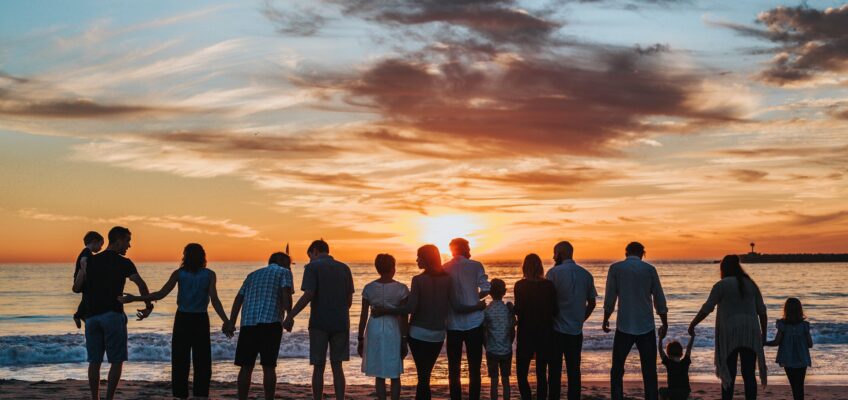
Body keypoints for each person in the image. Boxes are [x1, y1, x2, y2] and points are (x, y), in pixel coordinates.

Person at [118, 243, 230, 400]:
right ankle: (201, 394)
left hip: (183, 319)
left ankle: (180, 395)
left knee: (180, 359)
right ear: (202, 257)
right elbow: (215, 300)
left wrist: (134, 298)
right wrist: (227, 321)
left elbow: (160, 294)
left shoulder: (179, 273)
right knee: (202, 359)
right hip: (200, 319)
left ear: (185, 256)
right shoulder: (209, 274)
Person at [373, 244, 482, 400]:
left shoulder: (418, 280)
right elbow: (457, 307)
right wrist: (477, 306)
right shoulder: (447, 279)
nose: (416, 259)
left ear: (426, 259)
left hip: (417, 334)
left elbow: (409, 308)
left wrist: (385, 310)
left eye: (419, 257)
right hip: (437, 336)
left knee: (423, 378)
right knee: (425, 376)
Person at [72, 226, 154, 400]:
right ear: (118, 241)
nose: (129, 246)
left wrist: (84, 271)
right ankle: (108, 398)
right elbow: (140, 283)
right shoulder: (124, 262)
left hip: (92, 318)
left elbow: (76, 288)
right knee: (116, 361)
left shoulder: (89, 260)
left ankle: (95, 398)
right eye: (127, 241)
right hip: (112, 315)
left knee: (94, 362)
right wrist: (148, 305)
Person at [688, 254, 768, 400]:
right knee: (749, 374)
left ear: (723, 268)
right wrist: (764, 333)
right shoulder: (751, 284)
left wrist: (693, 323)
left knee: (728, 372)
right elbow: (762, 311)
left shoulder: (721, 285)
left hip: (729, 333)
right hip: (750, 332)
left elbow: (707, 308)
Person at [283, 240, 355, 400]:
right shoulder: (344, 268)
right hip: (341, 322)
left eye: (310, 256)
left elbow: (308, 295)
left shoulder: (312, 267)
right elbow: (349, 300)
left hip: (319, 323)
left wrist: (290, 315)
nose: (309, 260)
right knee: (337, 366)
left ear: (315, 251)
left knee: (318, 366)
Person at [603, 241, 668, 400]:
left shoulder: (616, 268)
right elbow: (659, 298)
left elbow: (610, 296)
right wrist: (664, 322)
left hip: (624, 325)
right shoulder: (650, 270)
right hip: (646, 326)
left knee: (617, 369)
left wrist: (606, 318)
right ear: (642, 254)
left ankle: (617, 397)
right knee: (649, 370)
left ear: (626, 253)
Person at [225, 252, 294, 400]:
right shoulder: (285, 272)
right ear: (281, 261)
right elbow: (285, 294)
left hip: (248, 324)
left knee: (245, 367)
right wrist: (289, 316)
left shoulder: (252, 275)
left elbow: (239, 299)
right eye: (288, 263)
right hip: (271, 323)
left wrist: (232, 321)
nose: (290, 266)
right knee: (269, 367)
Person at [545, 241, 596, 400]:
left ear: (561, 253)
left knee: (554, 371)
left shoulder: (553, 273)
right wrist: (581, 319)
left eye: (555, 253)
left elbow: (547, 302)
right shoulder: (586, 274)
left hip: (556, 331)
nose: (553, 257)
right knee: (574, 371)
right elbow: (592, 303)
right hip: (576, 330)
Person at [444, 238, 491, 400]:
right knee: (474, 368)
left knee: (453, 368)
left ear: (452, 250)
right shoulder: (476, 265)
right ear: (465, 248)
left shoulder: (445, 268)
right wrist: (474, 298)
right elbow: (486, 288)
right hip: (474, 323)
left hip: (453, 324)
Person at [357, 254, 409, 400]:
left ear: (377, 268)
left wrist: (360, 338)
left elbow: (363, 316)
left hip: (374, 328)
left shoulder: (369, 288)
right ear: (393, 268)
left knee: (379, 372)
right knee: (395, 372)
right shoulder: (401, 288)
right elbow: (404, 316)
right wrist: (405, 339)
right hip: (393, 328)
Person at [514, 254, 557, 400]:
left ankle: (526, 397)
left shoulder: (520, 285)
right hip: (545, 333)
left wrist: (509, 308)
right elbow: (555, 310)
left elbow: (518, 310)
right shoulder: (548, 285)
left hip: (526, 333)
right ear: (540, 267)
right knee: (541, 373)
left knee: (521, 373)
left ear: (524, 267)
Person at [765, 298, 812, 400]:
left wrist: (764, 343)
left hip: (787, 359)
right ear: (800, 310)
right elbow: (810, 344)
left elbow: (776, 342)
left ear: (786, 310)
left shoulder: (783, 325)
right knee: (799, 386)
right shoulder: (804, 325)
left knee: (794, 385)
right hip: (802, 359)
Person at [483, 278, 514, 400]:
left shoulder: (487, 310)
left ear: (490, 293)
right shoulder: (508, 310)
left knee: (494, 382)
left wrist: (487, 347)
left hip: (492, 350)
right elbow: (512, 330)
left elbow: (484, 333)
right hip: (506, 350)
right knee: (506, 381)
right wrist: (509, 343)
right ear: (504, 292)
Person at [73, 231, 104, 329]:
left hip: (84, 279)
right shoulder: (86, 251)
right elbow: (83, 261)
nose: (101, 248)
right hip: (83, 279)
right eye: (101, 244)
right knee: (87, 297)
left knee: (86, 297)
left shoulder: (87, 252)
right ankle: (79, 315)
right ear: (94, 242)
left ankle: (79, 315)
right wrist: (85, 273)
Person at [658, 333, 695, 400]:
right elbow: (689, 348)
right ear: (681, 353)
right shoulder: (685, 362)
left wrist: (660, 337)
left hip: (672, 393)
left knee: (661, 390)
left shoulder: (669, 363)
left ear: (668, 354)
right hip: (685, 393)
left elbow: (660, 349)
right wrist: (693, 336)